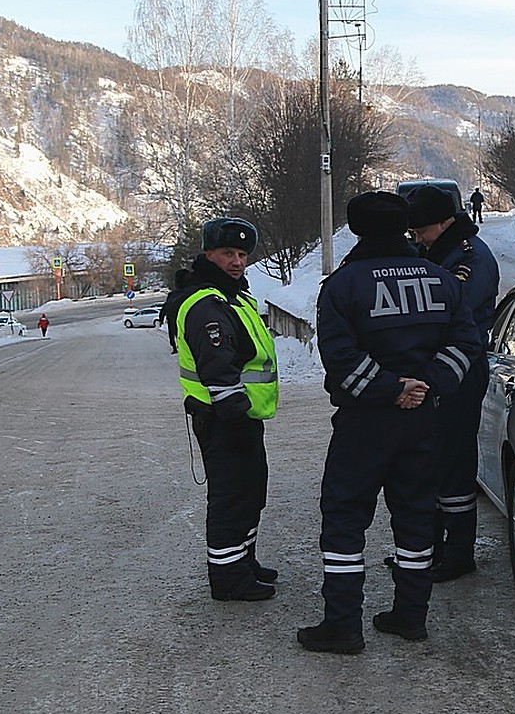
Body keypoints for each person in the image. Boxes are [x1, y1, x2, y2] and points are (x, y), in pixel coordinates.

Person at [297, 191, 484, 654]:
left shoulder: (342, 286)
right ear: (403, 227)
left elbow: (340, 359)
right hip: (424, 418)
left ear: (356, 230)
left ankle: (342, 624)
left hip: (365, 422)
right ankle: (410, 616)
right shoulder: (442, 280)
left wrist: (389, 388)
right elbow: (468, 342)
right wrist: (427, 384)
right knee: (417, 514)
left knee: (344, 518)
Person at [176, 218, 280, 602]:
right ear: (208, 255)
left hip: (240, 417)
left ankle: (242, 560)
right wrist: (236, 416)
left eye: (241, 254)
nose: (237, 261)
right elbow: (218, 369)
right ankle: (227, 577)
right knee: (231, 496)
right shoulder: (207, 303)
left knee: (250, 492)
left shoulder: (233, 296)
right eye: (227, 254)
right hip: (224, 418)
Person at [405, 183, 499, 581]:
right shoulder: (440, 252)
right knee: (432, 462)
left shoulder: (468, 258)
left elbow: (445, 313)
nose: (418, 240)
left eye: (422, 232)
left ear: (444, 224)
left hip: (460, 369)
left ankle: (458, 552)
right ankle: (433, 548)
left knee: (454, 462)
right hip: (438, 369)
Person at [159, 268, 192, 354]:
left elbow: (165, 308)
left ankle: (175, 347)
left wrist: (161, 319)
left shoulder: (172, 295)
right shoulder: (193, 293)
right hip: (187, 322)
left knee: (175, 333)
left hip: (173, 319)